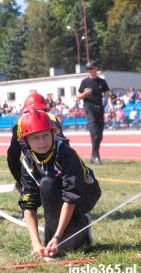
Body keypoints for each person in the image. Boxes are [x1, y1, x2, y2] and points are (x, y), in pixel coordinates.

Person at [18, 109, 101, 257]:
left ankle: (80, 222)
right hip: (55, 190)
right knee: (47, 184)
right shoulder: (28, 163)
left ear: (53, 133)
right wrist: (36, 243)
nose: (42, 142)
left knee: (64, 248)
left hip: (85, 194)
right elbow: (28, 204)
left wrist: (56, 237)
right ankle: (73, 229)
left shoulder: (66, 154)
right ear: (26, 141)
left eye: (45, 135)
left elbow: (72, 195)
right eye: (35, 137)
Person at [7, 91, 68, 192]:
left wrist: (21, 182)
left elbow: (12, 157)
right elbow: (63, 143)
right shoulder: (52, 118)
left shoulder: (20, 122)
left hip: (34, 160)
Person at [77, 60, 113, 165]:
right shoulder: (85, 82)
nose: (89, 70)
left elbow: (107, 95)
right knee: (94, 133)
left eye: (91, 68)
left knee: (99, 134)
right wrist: (84, 94)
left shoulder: (102, 82)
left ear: (96, 68)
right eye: (87, 69)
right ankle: (95, 156)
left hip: (100, 109)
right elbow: (77, 97)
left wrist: (111, 106)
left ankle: (94, 155)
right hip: (89, 109)